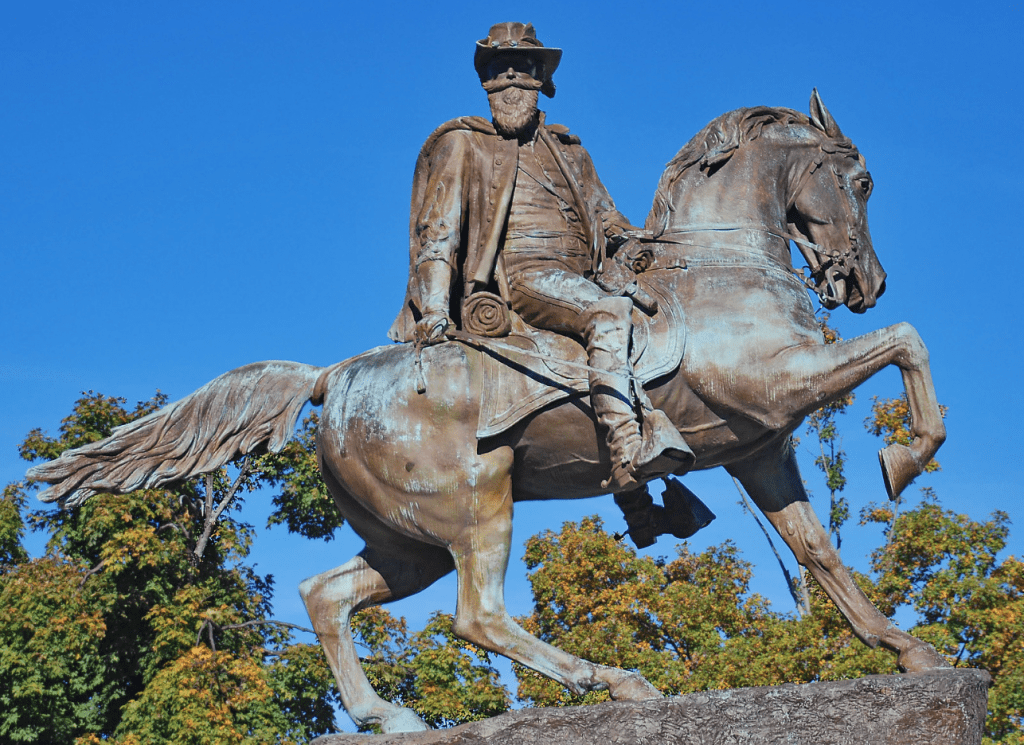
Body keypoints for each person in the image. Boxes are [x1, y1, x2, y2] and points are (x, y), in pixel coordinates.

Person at [389, 22, 693, 493]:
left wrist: (654, 246)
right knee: (608, 316)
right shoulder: (464, 142)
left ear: (540, 81)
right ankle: (627, 453)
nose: (510, 81)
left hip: (585, 274)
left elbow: (608, 219)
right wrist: (432, 310)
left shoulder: (571, 152)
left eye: (522, 70)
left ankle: (640, 503)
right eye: (497, 71)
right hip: (523, 277)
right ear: (485, 84)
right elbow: (439, 231)